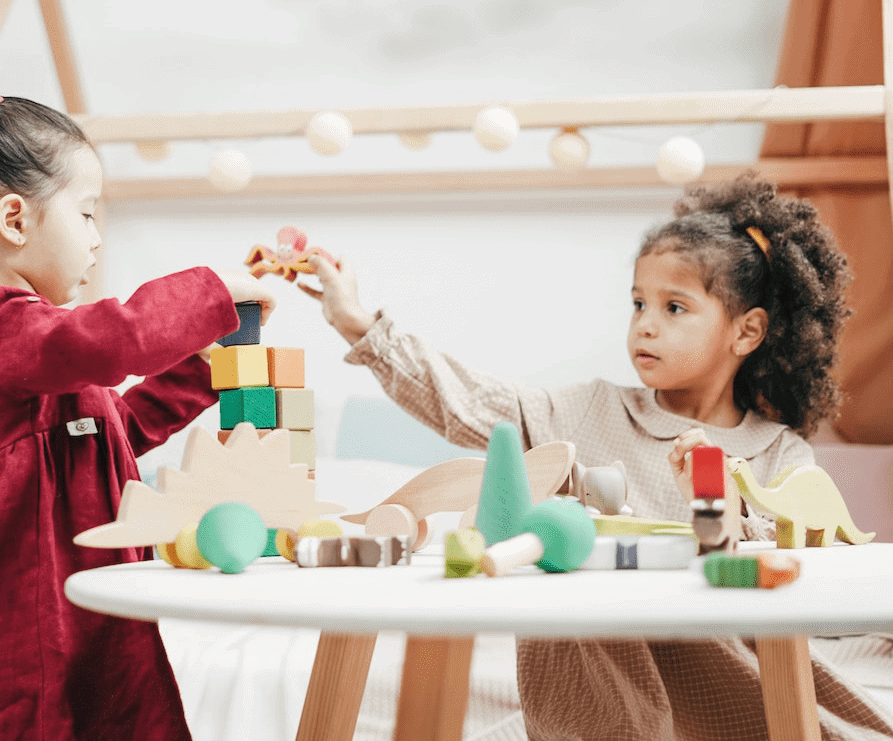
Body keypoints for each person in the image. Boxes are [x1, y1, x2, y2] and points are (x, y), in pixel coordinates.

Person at [302, 175, 893, 741]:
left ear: (747, 332)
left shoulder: (778, 451)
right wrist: (357, 323)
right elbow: (466, 402)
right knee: (576, 603)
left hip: (722, 671)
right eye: (638, 304)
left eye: (674, 308)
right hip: (606, 670)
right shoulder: (589, 413)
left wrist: (730, 513)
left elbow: (815, 574)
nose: (645, 327)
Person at [0, 92, 275, 741]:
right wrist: (209, 293)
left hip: (79, 605)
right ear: (15, 219)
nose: (96, 235)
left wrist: (203, 366)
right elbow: (108, 341)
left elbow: (120, 424)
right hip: (21, 617)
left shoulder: (44, 356)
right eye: (86, 213)